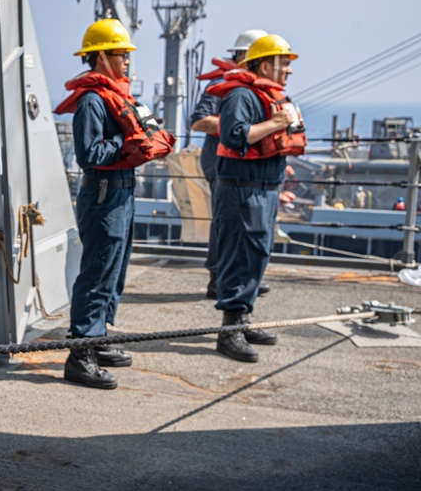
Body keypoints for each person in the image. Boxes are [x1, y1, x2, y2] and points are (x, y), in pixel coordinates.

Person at [53, 19, 174, 389]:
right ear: (101, 56)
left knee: (115, 269)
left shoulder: (118, 96)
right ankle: (80, 355)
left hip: (122, 191)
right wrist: (128, 145)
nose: (127, 62)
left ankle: (99, 337)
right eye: (121, 55)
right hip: (104, 191)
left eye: (127, 55)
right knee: (98, 270)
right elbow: (89, 154)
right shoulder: (92, 101)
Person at [206, 34, 306, 362]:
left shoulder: (274, 96)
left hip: (265, 189)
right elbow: (234, 136)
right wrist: (275, 123)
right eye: (283, 63)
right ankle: (229, 330)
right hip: (241, 189)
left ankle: (243, 318)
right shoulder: (240, 95)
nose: (289, 71)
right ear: (265, 64)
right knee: (238, 255)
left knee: (257, 256)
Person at [190, 29, 271, 300]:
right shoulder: (226, 85)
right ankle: (218, 277)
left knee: (244, 223)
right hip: (221, 160)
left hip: (244, 163)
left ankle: (243, 277)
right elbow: (200, 120)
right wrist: (241, 128)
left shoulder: (251, 89)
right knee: (226, 222)